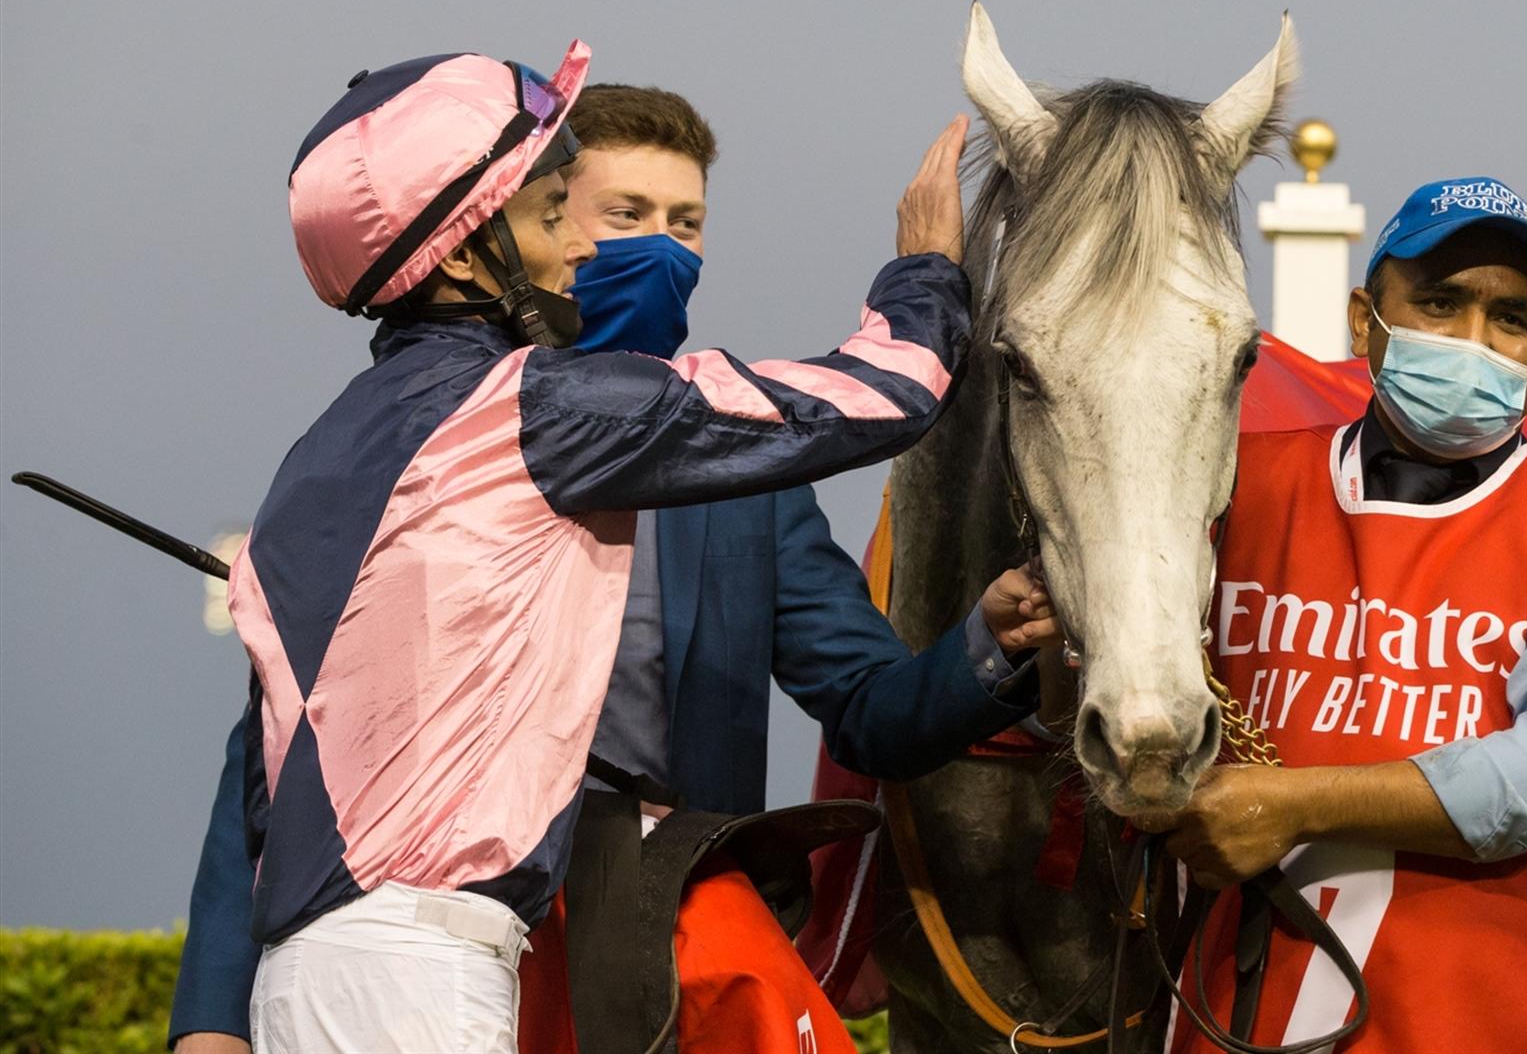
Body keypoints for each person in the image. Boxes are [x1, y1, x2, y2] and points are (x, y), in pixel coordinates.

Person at [169, 71, 1059, 1052]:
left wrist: (989, 643)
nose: (620, 249)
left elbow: (871, 704)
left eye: (687, 223)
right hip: (448, 959)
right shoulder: (530, 407)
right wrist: (928, 272)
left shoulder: (336, 443)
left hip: (464, 958)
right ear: (481, 241)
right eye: (600, 214)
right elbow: (889, 390)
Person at [1140, 178, 1527, 1053]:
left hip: (1487, 1025)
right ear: (1365, 322)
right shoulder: (1227, 484)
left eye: (1511, 320)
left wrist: (1297, 806)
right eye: (1439, 304)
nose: (1474, 343)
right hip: (1225, 1016)